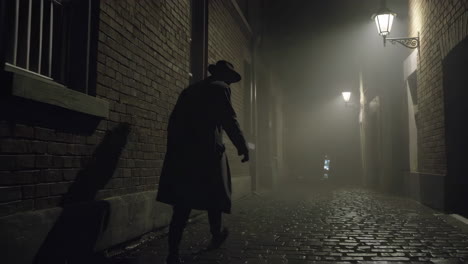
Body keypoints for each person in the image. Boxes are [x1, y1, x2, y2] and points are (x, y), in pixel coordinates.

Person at [156, 60, 249, 264]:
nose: (230, 84)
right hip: (208, 153)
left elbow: (174, 121)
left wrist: (175, 150)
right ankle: (215, 234)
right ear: (224, 76)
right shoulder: (220, 88)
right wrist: (242, 145)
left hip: (184, 154)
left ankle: (173, 252)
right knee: (214, 195)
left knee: (182, 205)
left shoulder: (191, 90)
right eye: (230, 80)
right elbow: (229, 119)